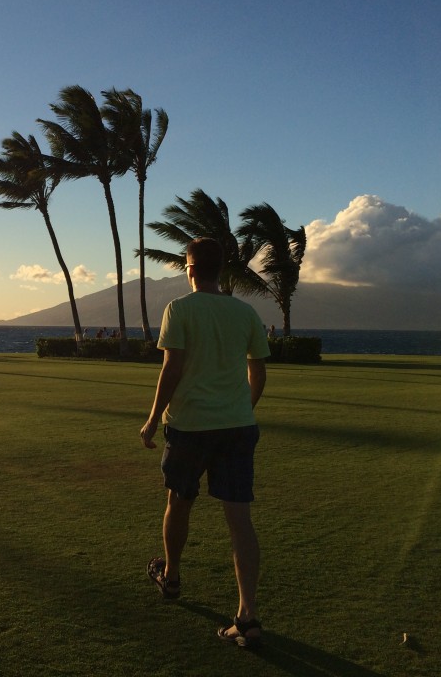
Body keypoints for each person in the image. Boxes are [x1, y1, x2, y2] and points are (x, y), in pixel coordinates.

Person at [139, 237, 270, 649]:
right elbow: (258, 372)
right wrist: (241, 409)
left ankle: (172, 576)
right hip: (237, 427)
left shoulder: (179, 309)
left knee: (179, 501)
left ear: (190, 268)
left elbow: (171, 368)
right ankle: (247, 616)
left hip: (190, 427)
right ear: (223, 270)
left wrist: (150, 419)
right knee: (239, 519)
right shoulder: (245, 312)